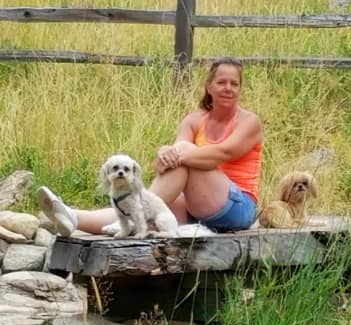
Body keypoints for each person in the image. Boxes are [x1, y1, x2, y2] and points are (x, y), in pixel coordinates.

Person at [38, 57, 263, 235]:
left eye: (234, 83)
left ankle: (135, 219)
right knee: (157, 200)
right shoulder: (194, 120)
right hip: (197, 204)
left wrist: (175, 154)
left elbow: (223, 153)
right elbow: (173, 157)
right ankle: (73, 216)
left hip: (238, 208)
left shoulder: (249, 122)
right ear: (209, 86)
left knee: (181, 160)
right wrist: (165, 155)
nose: (228, 88)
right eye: (221, 82)